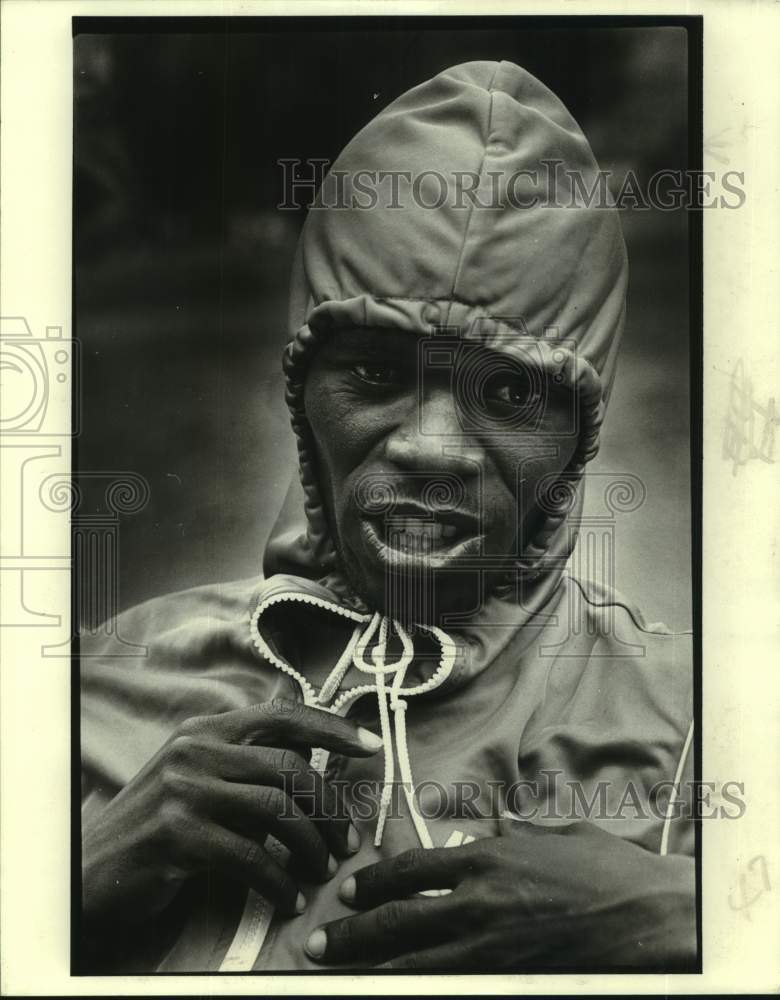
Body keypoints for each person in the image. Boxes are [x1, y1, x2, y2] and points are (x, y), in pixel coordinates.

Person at [80, 59, 695, 973]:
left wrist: (687, 920)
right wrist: (73, 879)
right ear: (301, 388)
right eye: (372, 372)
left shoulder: (694, 720)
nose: (432, 449)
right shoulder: (106, 676)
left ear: (582, 430)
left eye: (512, 392)